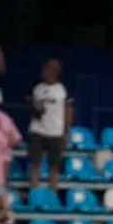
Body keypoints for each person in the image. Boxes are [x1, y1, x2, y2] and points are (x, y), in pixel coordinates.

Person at [27, 59, 72, 191]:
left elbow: (68, 110)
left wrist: (65, 131)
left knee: (54, 166)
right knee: (35, 164)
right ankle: (34, 192)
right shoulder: (36, 87)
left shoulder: (63, 89)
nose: (44, 71)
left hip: (56, 131)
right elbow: (30, 105)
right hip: (37, 130)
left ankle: (52, 193)